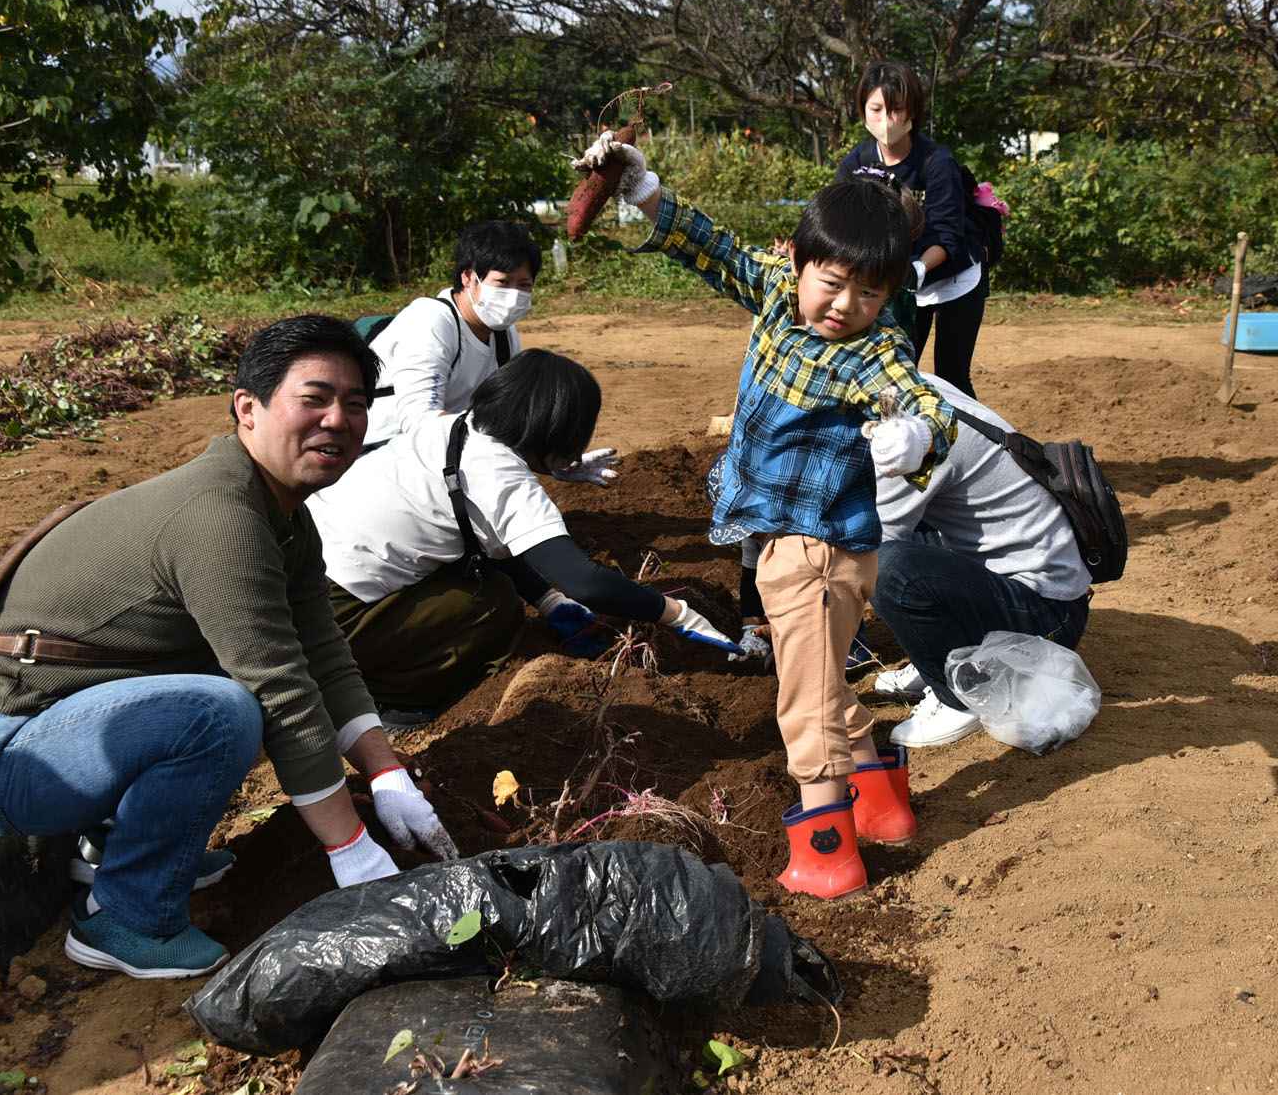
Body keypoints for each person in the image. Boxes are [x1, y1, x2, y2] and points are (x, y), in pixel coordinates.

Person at [0, 315, 456, 980]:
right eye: (314, 398)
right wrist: (351, 849)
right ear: (249, 408)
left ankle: (122, 843)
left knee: (230, 672)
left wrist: (385, 773)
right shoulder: (221, 517)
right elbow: (281, 688)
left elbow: (322, 651)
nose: (338, 420)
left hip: (53, 719)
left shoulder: (281, 514)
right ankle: (127, 916)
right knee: (223, 709)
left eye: (355, 404)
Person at [574, 130, 956, 900]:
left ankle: (828, 853)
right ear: (799, 263)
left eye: (870, 293)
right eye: (832, 281)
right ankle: (883, 806)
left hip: (820, 550)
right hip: (785, 540)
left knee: (805, 702)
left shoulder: (876, 350)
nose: (845, 306)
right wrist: (642, 190)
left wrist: (913, 435)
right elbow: (711, 248)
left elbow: (923, 406)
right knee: (816, 678)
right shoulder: (779, 297)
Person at [307, 349, 742, 726]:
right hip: (330, 615)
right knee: (491, 604)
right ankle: (395, 704)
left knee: (473, 565)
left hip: (297, 567)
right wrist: (674, 612)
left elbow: (485, 530)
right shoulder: (502, 478)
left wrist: (550, 601)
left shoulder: (454, 428)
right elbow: (586, 581)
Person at [869, 375, 1092, 746]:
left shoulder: (904, 434)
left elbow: (872, 547)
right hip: (1037, 588)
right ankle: (941, 658)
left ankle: (957, 697)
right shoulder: (915, 384)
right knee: (911, 533)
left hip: (1046, 617)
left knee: (885, 568)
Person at [363, 222, 615, 490]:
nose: (513, 295)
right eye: (503, 282)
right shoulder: (432, 321)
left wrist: (548, 461)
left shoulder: (504, 334)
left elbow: (506, 420)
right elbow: (420, 422)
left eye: (524, 285)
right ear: (469, 278)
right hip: (384, 454)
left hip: (444, 450)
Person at [835, 61, 989, 397]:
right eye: (876, 110)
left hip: (952, 278)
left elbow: (948, 237)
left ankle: (970, 446)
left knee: (951, 379)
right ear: (862, 109)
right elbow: (839, 223)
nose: (886, 121)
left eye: (896, 111)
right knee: (896, 372)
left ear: (912, 112)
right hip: (898, 279)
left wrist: (916, 269)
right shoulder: (856, 164)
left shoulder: (937, 163)